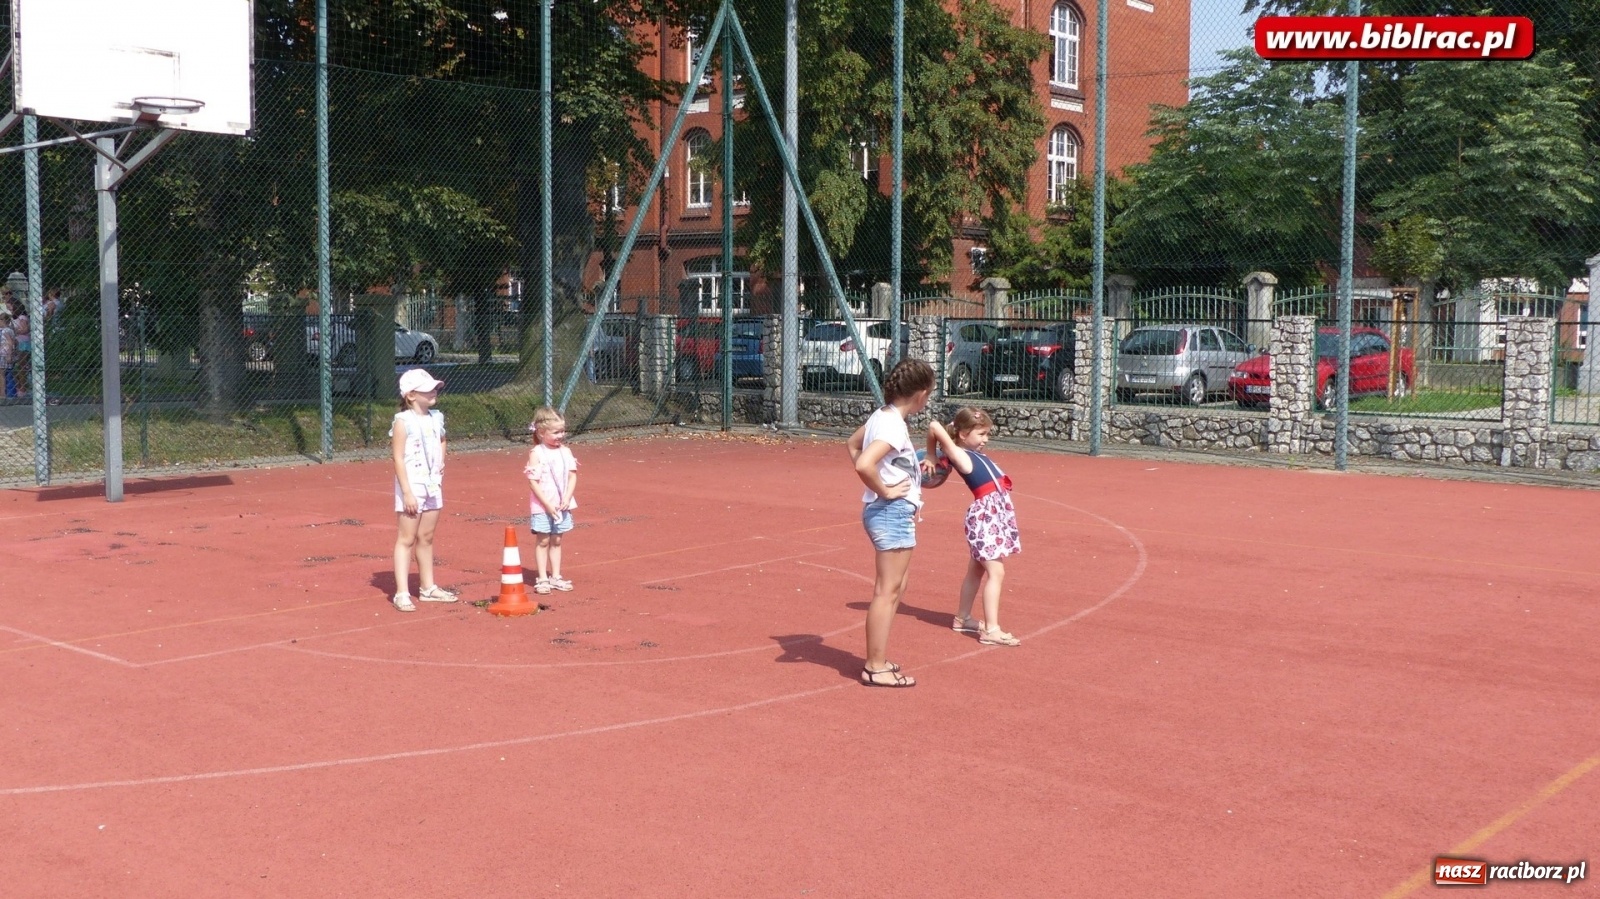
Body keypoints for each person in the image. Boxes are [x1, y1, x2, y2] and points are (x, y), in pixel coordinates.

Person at [846, 358, 936, 688]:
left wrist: (885, 481)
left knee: (896, 588)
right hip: (890, 512)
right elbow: (864, 463)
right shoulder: (893, 425)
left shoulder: (882, 417)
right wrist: (883, 489)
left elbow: (853, 445)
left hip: (891, 511)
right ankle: (874, 666)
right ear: (921, 394)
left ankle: (878, 658)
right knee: (887, 591)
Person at [927, 407, 1022, 646]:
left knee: (977, 570)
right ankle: (991, 630)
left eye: (987, 434)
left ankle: (963, 618)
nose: (985, 440)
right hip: (984, 518)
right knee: (996, 572)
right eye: (981, 434)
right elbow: (934, 426)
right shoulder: (960, 454)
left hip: (992, 517)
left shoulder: (971, 452)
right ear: (962, 434)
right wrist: (930, 454)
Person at [390, 368, 459, 612]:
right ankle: (401, 592)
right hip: (412, 485)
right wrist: (407, 491)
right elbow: (398, 458)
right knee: (406, 538)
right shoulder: (403, 422)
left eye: (434, 388)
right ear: (411, 395)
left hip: (432, 484)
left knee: (426, 537)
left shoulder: (436, 417)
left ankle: (428, 587)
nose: (434, 392)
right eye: (427, 389)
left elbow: (441, 439)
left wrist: (441, 464)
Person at [523, 406, 578, 595]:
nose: (560, 435)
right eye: (556, 432)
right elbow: (533, 482)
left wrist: (567, 497)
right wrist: (546, 504)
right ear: (541, 432)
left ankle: (555, 576)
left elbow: (572, 476)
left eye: (562, 431)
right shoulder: (536, 453)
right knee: (543, 540)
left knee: (557, 540)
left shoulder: (566, 452)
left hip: (562, 505)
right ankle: (543, 578)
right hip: (542, 506)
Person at [7, 295, 30, 396]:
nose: (9, 310)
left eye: (10, 307)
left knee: (21, 366)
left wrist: (14, 331)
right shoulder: (14, 318)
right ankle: (18, 386)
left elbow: (25, 330)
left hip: (23, 343)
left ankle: (23, 388)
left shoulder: (22, 317)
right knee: (15, 366)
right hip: (16, 343)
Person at [0, 310, 16, 399]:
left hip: (4, 354)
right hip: (5, 353)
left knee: (2, 374)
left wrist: (9, 354)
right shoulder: (9, 330)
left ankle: (2, 394)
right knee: (7, 374)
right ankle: (9, 393)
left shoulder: (5, 331)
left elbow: (10, 342)